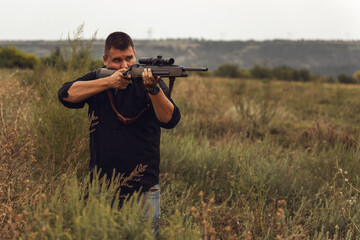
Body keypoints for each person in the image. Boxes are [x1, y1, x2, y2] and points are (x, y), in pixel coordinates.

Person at [57, 31, 181, 232]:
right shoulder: (98, 80)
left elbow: (169, 119)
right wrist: (108, 82)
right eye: (117, 60)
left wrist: (153, 90)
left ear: (135, 55)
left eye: (129, 58)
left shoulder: (149, 82)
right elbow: (66, 94)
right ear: (105, 60)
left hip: (142, 188)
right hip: (100, 186)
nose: (124, 66)